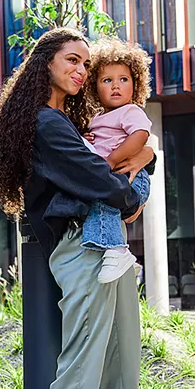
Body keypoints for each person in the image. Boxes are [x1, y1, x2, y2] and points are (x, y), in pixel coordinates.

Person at [0, 27, 185, 389]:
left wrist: (145, 158)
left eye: (85, 64)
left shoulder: (73, 120)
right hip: (82, 249)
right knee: (80, 369)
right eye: (72, 59)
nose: (81, 70)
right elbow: (101, 182)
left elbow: (120, 161)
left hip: (110, 249)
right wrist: (138, 175)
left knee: (122, 365)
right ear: (45, 62)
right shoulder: (46, 124)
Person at [78, 38, 154, 283]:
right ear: (94, 87)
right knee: (101, 202)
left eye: (123, 79)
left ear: (135, 84)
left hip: (131, 176)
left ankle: (118, 251)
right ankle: (122, 257)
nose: (116, 86)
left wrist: (111, 160)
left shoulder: (130, 111)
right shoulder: (96, 119)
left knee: (104, 199)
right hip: (114, 175)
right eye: (107, 80)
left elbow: (140, 136)